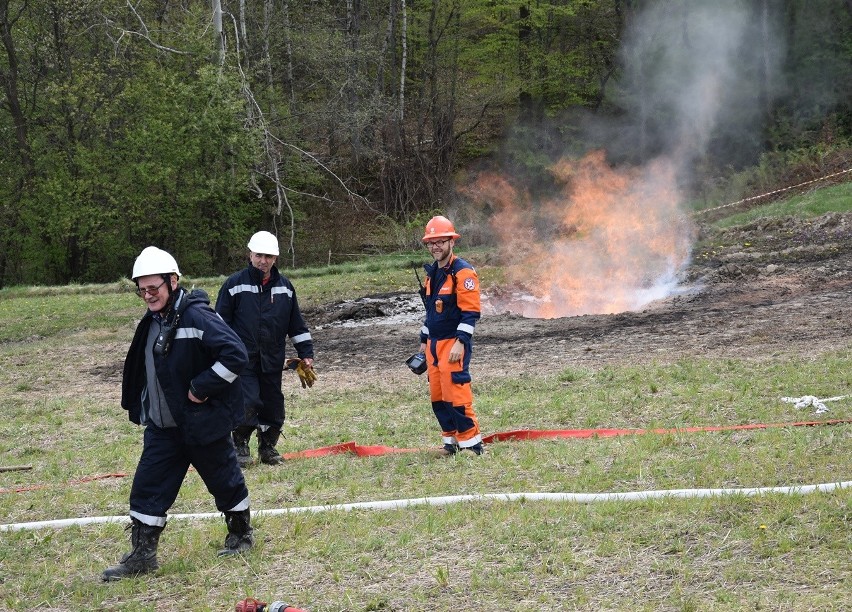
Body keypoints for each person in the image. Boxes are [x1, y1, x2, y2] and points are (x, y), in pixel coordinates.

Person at [103, 247, 254, 582]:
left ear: (173, 282)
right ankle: (142, 556)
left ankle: (241, 534)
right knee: (147, 487)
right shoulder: (152, 321)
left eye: (153, 288)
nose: (147, 295)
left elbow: (235, 354)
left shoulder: (198, 317)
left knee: (225, 481)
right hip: (162, 428)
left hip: (201, 425)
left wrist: (201, 387)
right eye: (141, 289)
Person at [216, 230, 315, 467]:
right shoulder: (233, 285)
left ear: (276, 258)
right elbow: (219, 325)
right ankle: (240, 445)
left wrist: (306, 354)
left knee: (273, 406)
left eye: (268, 256)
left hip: (272, 359)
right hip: (242, 359)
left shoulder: (285, 288)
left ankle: (268, 448)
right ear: (250, 254)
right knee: (247, 401)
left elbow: (296, 325)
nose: (263, 261)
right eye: (259, 255)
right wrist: (220, 353)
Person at [418, 215, 484, 456]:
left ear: (451, 242)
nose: (435, 246)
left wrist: (460, 342)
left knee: (456, 393)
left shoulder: (463, 272)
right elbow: (430, 314)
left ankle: (472, 445)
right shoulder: (432, 274)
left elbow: (470, 313)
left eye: (440, 241)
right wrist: (423, 343)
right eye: (431, 242)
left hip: (453, 345)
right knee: (438, 396)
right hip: (433, 346)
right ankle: (451, 443)